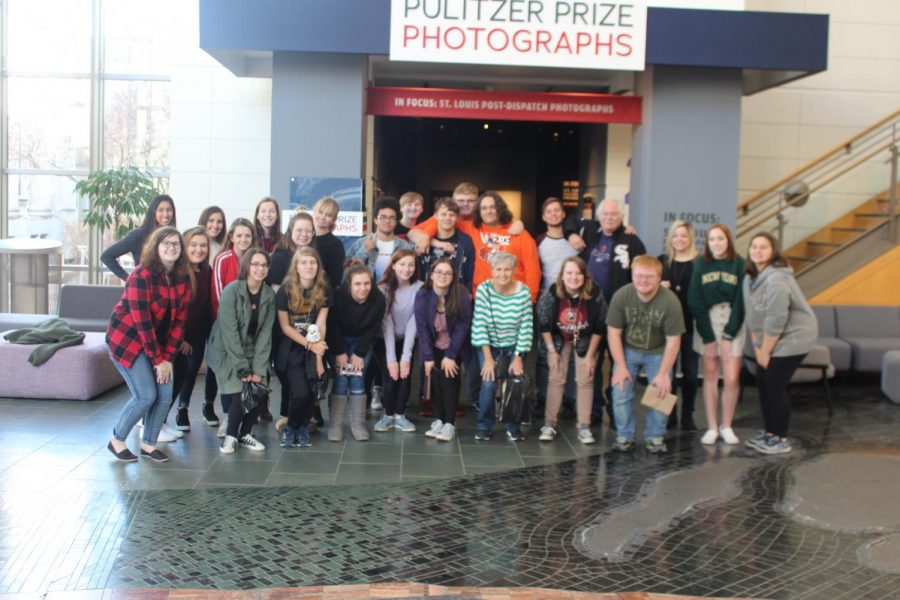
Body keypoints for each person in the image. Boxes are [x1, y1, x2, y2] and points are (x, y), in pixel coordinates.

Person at [106, 226, 191, 463]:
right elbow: (142, 324)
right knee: (146, 395)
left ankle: (149, 444)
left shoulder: (183, 277)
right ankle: (117, 440)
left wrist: (167, 360)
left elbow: (179, 323)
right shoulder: (140, 276)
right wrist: (158, 361)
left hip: (159, 345)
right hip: (128, 341)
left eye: (175, 244)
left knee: (165, 394)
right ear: (155, 247)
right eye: (165, 243)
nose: (171, 248)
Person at [569, 198, 647, 429]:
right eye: (606, 214)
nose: (609, 218)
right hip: (591, 312)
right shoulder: (591, 234)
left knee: (619, 362)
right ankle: (593, 411)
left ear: (621, 217)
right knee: (590, 360)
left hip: (621, 313)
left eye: (614, 214)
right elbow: (569, 221)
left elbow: (643, 271)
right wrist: (573, 235)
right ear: (599, 217)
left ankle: (616, 411)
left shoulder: (631, 240)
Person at [743, 232, 817, 455]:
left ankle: (780, 439)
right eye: (754, 246)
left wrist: (765, 351)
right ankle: (770, 433)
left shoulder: (776, 278)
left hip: (795, 336)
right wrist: (757, 347)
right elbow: (754, 317)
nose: (757, 251)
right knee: (764, 382)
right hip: (773, 336)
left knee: (774, 384)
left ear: (773, 251)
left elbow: (776, 319)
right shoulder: (750, 278)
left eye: (763, 247)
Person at [606, 255, 685, 454]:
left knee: (661, 391)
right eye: (639, 276)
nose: (643, 281)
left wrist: (664, 373)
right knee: (620, 391)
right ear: (632, 276)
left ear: (659, 278)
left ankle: (655, 437)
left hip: (658, 351)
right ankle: (625, 436)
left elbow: (674, 340)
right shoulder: (622, 295)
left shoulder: (670, 301)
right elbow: (613, 333)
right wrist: (621, 366)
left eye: (649, 277)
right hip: (628, 350)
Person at [206, 248, 275, 454]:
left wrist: (259, 367)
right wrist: (243, 367)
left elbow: (265, 333)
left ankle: (245, 434)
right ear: (246, 266)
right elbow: (229, 332)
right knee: (239, 392)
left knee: (259, 387)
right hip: (227, 348)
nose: (259, 269)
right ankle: (230, 437)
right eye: (255, 264)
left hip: (254, 346)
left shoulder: (269, 294)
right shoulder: (231, 290)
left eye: (264, 265)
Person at [536, 257, 607, 444]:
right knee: (556, 376)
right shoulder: (552, 293)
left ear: (585, 276)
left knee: (585, 378)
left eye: (578, 273)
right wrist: (552, 351)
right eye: (569, 273)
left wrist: (591, 356)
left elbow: (600, 327)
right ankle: (549, 424)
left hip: (586, 337)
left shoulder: (596, 294)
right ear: (562, 275)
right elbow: (544, 324)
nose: (573, 277)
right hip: (559, 337)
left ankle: (584, 426)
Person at [688, 223, 745, 446]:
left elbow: (742, 301)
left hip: (733, 319)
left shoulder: (740, 264)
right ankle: (712, 426)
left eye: (720, 239)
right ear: (707, 243)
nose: (716, 243)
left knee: (731, 378)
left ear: (728, 240)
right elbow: (695, 299)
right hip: (707, 321)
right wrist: (709, 337)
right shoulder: (701, 263)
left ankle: (727, 425)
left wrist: (729, 335)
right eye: (712, 239)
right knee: (710, 374)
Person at [471, 252, 533, 442]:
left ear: (513, 271)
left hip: (514, 344)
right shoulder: (483, 290)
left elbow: (526, 326)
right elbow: (479, 325)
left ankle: (512, 426)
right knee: (489, 382)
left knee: (514, 382)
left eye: (507, 269)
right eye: (498, 269)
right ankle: (484, 425)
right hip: (489, 345)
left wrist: (518, 357)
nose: (503, 274)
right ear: (492, 270)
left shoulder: (523, 292)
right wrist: (488, 359)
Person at [274, 247, 332, 448]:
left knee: (310, 389)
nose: (309, 266)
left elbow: (321, 324)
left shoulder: (324, 290)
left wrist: (318, 357)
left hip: (315, 346)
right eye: (304, 262)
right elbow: (285, 327)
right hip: (291, 347)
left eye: (312, 262)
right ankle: (290, 428)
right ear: (296, 267)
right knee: (300, 393)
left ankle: (302, 428)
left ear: (318, 266)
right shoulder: (285, 291)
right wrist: (309, 344)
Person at [326, 264, 386, 442]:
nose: (363, 288)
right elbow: (332, 326)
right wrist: (339, 352)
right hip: (339, 340)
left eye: (367, 283)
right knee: (341, 379)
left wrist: (359, 354)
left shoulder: (378, 299)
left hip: (362, 342)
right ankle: (335, 425)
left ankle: (357, 424)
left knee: (358, 378)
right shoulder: (337, 296)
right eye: (358, 284)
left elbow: (374, 329)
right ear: (349, 285)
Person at [415, 257, 472, 442]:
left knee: (449, 379)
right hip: (432, 344)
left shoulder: (461, 294)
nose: (443, 276)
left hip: (455, 345)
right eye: (439, 272)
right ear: (431, 274)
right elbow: (422, 327)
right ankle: (439, 420)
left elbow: (463, 327)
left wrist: (451, 355)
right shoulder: (423, 294)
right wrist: (429, 357)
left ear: (453, 276)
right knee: (436, 381)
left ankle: (450, 424)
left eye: (447, 273)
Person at [535, 197, 580, 419]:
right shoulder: (539, 242)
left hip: (574, 303)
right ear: (543, 217)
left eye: (557, 211)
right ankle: (543, 396)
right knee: (545, 353)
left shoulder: (576, 240)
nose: (553, 214)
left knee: (570, 354)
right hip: (548, 302)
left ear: (564, 215)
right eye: (548, 211)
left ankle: (570, 399)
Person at [169, 227, 213, 433]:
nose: (199, 249)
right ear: (185, 246)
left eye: (203, 245)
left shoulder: (206, 270)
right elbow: (175, 310)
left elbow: (204, 305)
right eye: (194, 245)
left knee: (191, 369)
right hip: (178, 333)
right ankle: (153, 420)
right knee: (176, 374)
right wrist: (181, 339)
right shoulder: (179, 273)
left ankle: (182, 408)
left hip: (198, 331)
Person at [374, 249, 423, 434]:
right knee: (390, 375)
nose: (407, 268)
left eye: (411, 264)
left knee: (404, 375)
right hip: (384, 340)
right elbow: (387, 323)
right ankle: (388, 415)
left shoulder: (420, 288)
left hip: (408, 338)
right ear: (393, 265)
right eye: (402, 264)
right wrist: (391, 358)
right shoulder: (383, 288)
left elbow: (414, 322)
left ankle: (400, 415)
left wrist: (405, 357)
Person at [659, 220, 699, 431]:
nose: (679, 239)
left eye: (683, 235)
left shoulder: (700, 263)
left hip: (692, 326)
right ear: (671, 238)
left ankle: (688, 415)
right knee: (667, 373)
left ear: (690, 238)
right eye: (676, 235)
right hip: (667, 328)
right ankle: (669, 413)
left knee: (691, 374)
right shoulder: (663, 262)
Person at [470, 191, 541, 304]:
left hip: (514, 299)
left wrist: (530, 299)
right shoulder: (473, 229)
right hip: (483, 299)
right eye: (484, 208)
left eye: (493, 207)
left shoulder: (520, 234)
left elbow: (532, 269)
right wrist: (430, 234)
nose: (488, 211)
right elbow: (442, 219)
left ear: (500, 209)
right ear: (479, 212)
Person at [101, 194, 176, 281]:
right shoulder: (139, 235)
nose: (165, 214)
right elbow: (107, 256)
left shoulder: (173, 237)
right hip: (144, 290)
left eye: (169, 210)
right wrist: (129, 279)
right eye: (161, 210)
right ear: (153, 212)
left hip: (167, 290)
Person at [346, 197, 414, 282]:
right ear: (375, 220)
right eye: (383, 217)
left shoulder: (404, 245)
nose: (387, 221)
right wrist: (363, 251)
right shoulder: (361, 243)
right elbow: (347, 273)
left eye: (392, 218)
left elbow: (412, 274)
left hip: (395, 292)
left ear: (396, 221)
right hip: (367, 292)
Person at [418, 197, 475, 291]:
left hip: (457, 293)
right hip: (428, 292)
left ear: (457, 217)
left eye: (452, 215)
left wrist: (468, 291)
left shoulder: (465, 241)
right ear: (435, 216)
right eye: (443, 214)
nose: (447, 218)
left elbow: (470, 269)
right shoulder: (425, 239)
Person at [212, 218, 258, 315]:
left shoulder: (257, 260)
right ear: (232, 237)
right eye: (239, 236)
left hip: (251, 317)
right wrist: (228, 318)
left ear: (252, 238)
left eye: (248, 236)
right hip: (227, 317)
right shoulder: (222, 259)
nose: (243, 239)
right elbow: (217, 294)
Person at [269, 211, 316, 290]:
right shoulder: (278, 258)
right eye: (299, 230)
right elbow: (276, 291)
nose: (304, 234)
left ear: (313, 233)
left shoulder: (316, 256)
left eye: (308, 231)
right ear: (290, 231)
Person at [311, 196, 346, 289]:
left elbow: (335, 279)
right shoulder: (304, 237)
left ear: (333, 220)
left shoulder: (336, 245)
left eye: (328, 215)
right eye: (320, 212)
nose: (323, 217)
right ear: (314, 211)